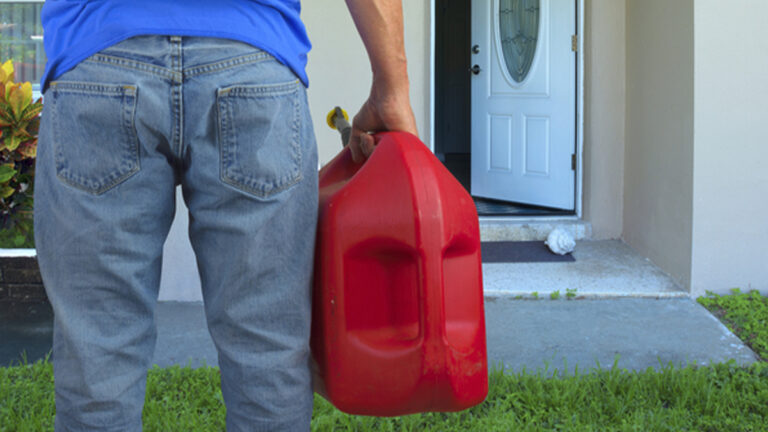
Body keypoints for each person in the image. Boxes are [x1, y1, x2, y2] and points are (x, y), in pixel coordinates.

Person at [34, 0, 418, 430]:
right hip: (253, 64)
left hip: (99, 61)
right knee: (267, 349)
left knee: (97, 351)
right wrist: (391, 87)